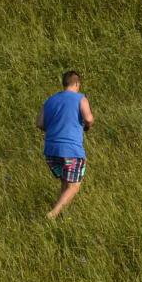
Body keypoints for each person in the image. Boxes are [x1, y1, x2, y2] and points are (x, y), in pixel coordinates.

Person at [36, 70, 94, 220]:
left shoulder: (49, 100)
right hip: (71, 150)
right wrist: (87, 126)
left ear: (64, 83)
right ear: (76, 83)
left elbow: (40, 123)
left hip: (51, 151)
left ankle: (61, 216)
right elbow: (88, 118)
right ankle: (52, 215)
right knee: (74, 186)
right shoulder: (80, 98)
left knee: (65, 184)